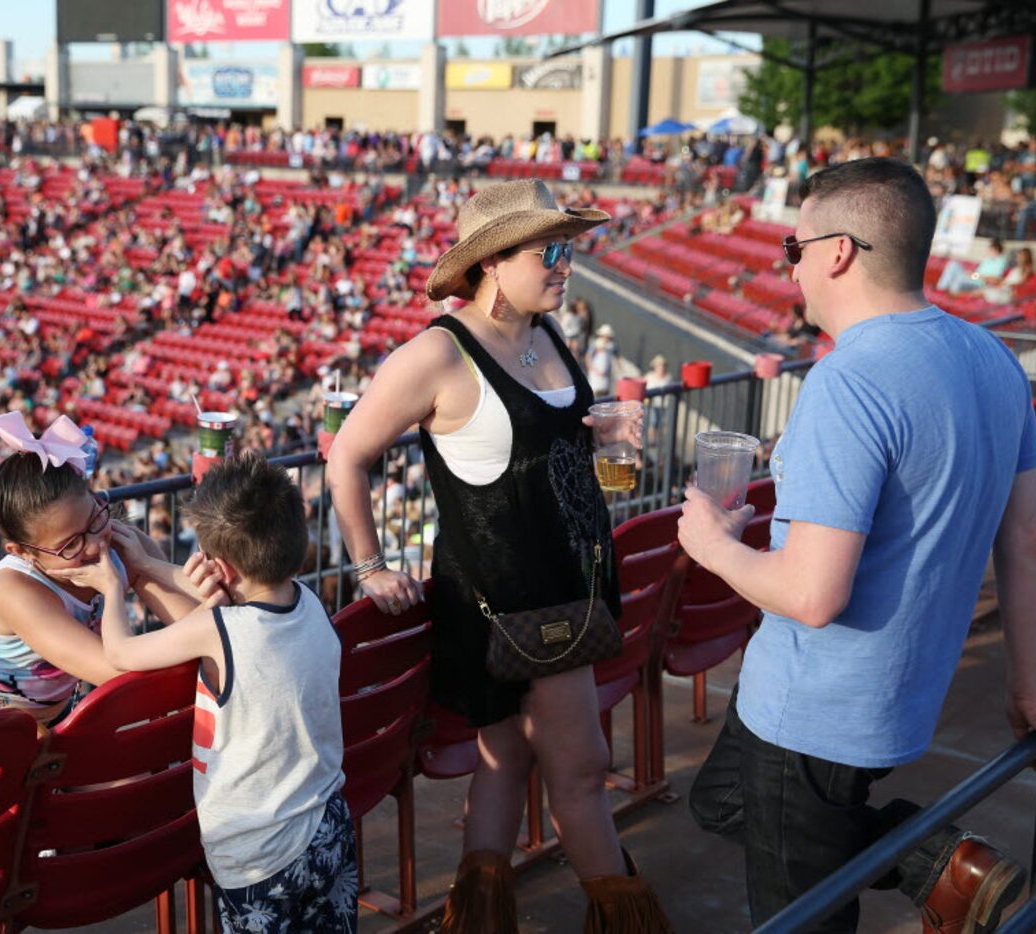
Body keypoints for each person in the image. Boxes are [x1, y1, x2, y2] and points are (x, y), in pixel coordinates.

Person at [677, 158, 1036, 932]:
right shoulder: (995, 358)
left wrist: (713, 546)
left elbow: (812, 595)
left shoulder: (847, 380)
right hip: (896, 700)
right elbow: (1026, 543)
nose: (789, 271)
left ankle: (936, 860)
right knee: (722, 799)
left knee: (804, 913)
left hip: (810, 711)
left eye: (792, 252)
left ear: (836, 252)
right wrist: (1028, 685)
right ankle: (938, 863)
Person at [326, 179, 670, 932]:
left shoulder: (545, 332)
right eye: (549, 251)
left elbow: (545, 445)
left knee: (508, 759)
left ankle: (477, 918)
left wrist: (600, 439)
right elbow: (346, 456)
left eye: (568, 250)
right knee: (578, 774)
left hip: (563, 589)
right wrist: (369, 566)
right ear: (491, 261)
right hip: (512, 602)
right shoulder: (436, 354)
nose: (564, 265)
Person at [88, 454, 355, 933]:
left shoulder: (218, 630)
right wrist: (149, 564)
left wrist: (113, 588)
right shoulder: (310, 604)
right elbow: (235, 595)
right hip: (328, 824)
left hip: (260, 853)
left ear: (222, 569)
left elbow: (121, 651)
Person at [0, 412, 203, 725]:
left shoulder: (122, 543)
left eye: (97, 518)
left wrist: (145, 566)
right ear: (23, 552)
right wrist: (113, 591)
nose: (94, 545)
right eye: (70, 545)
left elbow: (200, 626)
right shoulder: (15, 589)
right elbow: (119, 673)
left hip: (36, 725)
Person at [935, 238, 1009, 294]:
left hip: (979, 282)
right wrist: (971, 274)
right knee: (953, 264)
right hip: (973, 277)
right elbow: (977, 272)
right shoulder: (987, 259)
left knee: (957, 280)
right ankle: (940, 289)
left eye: (990, 249)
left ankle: (942, 292)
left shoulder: (1001, 261)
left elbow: (995, 279)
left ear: (995, 249)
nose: (988, 251)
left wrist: (974, 275)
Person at [584, 324, 619, 397]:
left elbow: (615, 358)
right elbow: (588, 358)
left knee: (604, 394)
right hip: (595, 375)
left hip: (606, 376)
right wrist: (595, 370)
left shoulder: (611, 346)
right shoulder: (595, 344)